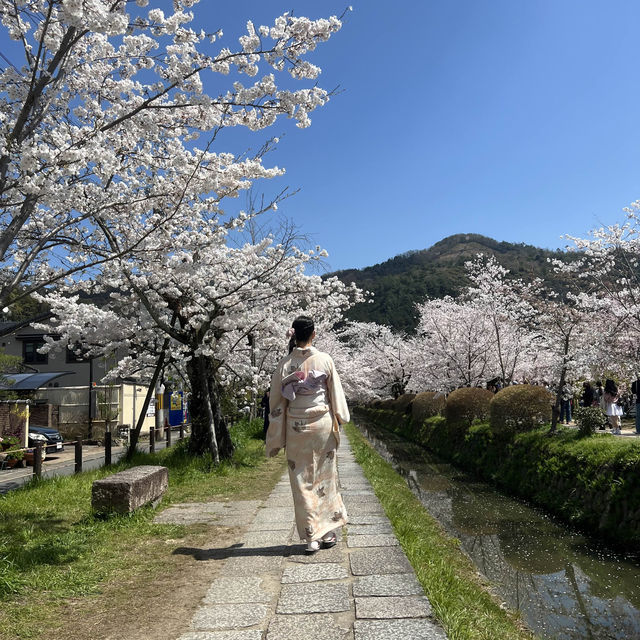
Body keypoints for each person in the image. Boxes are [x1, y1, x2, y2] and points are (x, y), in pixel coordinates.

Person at [266, 315, 349, 554]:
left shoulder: (285, 364)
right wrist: (340, 417)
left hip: (296, 427)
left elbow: (276, 403)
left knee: (301, 481)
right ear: (314, 334)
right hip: (321, 424)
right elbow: (335, 394)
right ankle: (328, 532)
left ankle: (311, 536)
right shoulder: (325, 360)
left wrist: (275, 434)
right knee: (326, 477)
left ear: (294, 334)